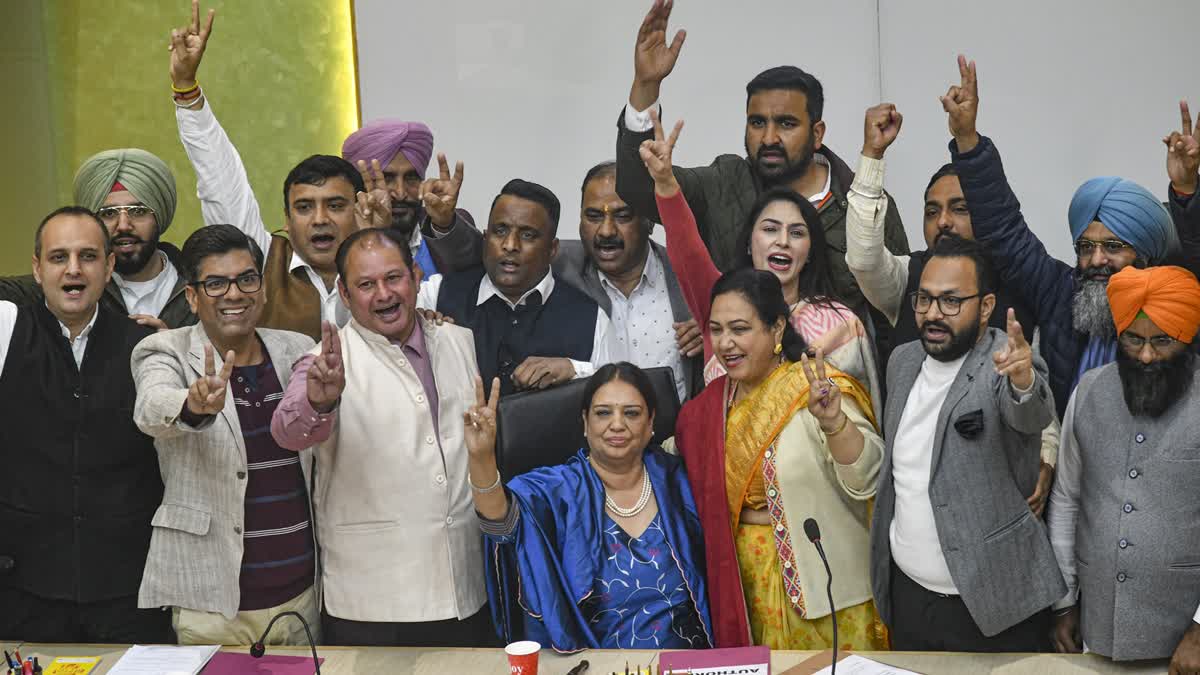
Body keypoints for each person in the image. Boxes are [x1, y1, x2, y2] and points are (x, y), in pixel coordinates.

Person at [168, 0, 480, 340]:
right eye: (304, 208)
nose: (319, 219)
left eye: (335, 205)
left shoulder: (394, 275)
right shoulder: (263, 262)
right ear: (286, 221)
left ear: (359, 209)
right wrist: (186, 91)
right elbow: (221, 180)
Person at [614, 0, 910, 338]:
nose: (769, 137)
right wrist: (645, 86)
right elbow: (638, 189)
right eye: (757, 122)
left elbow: (896, 316)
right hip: (735, 383)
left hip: (833, 384)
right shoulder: (724, 181)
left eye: (786, 123)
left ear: (817, 134)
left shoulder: (863, 205)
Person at [271, 227, 490, 647]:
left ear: (415, 275)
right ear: (345, 294)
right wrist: (319, 402)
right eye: (366, 285)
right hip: (374, 604)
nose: (384, 294)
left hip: (466, 588)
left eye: (393, 278)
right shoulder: (324, 361)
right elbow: (287, 430)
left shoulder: (459, 340)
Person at [844, 102, 1058, 517]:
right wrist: (871, 157)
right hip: (916, 497)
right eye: (932, 211)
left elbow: (1034, 384)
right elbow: (864, 259)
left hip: (997, 500)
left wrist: (1046, 458)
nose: (943, 222)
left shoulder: (1018, 285)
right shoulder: (910, 278)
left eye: (960, 209)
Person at [941, 55, 1182, 417]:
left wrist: (1187, 192)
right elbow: (1004, 231)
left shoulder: (1177, 309)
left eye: (1113, 247)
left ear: (1146, 252)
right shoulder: (1060, 293)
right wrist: (967, 141)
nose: (1096, 260)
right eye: (1086, 246)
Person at [674, 268, 887, 650]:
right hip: (744, 592)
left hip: (828, 594)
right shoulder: (706, 411)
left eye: (739, 329)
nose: (725, 343)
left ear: (776, 329)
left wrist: (836, 423)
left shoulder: (818, 390)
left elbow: (867, 479)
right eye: (717, 330)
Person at [870, 235, 1063, 652]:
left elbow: (1030, 415)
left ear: (986, 307)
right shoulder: (902, 361)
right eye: (924, 299)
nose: (933, 314)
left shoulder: (1005, 361)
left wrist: (1023, 381)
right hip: (909, 595)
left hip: (994, 603)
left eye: (951, 301)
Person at [132, 225, 319, 645]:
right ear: (193, 297)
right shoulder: (166, 350)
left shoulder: (296, 349)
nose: (234, 294)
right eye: (215, 283)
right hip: (210, 603)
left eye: (246, 279)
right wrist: (193, 405)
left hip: (299, 596)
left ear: (263, 288)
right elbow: (150, 408)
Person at [638, 110, 882, 416]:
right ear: (750, 244)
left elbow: (861, 422)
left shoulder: (841, 325)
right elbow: (688, 252)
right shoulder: (722, 306)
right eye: (769, 229)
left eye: (796, 232)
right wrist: (665, 183)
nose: (783, 240)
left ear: (810, 252)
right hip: (725, 462)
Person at [0, 207, 167, 643]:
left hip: (128, 591)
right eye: (58, 258)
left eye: (88, 256)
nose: (73, 270)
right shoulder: (6, 333)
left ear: (109, 266)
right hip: (25, 589)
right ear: (37, 269)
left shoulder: (146, 345)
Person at [467, 363, 712, 650]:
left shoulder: (679, 482)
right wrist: (481, 457)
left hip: (687, 665)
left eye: (631, 413)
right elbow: (501, 524)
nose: (617, 424)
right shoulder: (557, 490)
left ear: (650, 423)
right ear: (585, 422)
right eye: (603, 413)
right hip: (594, 666)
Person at [1048, 265, 1200, 670]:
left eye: (1162, 341)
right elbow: (1067, 499)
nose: (1146, 355)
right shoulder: (1089, 390)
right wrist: (1064, 602)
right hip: (1095, 636)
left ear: (1187, 338)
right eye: (1134, 339)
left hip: (1183, 650)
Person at [419, 179, 616, 396]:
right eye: (500, 231)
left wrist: (575, 369)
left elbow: (618, 391)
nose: (510, 245)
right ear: (485, 238)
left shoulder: (591, 319)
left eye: (527, 235)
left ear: (552, 249)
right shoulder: (436, 294)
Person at [553, 161, 704, 402]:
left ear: (650, 221)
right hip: (592, 435)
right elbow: (489, 251)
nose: (605, 231)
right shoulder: (560, 265)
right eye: (593, 217)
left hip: (676, 435)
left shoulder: (689, 276)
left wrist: (714, 329)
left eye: (622, 216)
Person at [0, 149, 189, 330]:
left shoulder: (201, 287)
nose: (123, 225)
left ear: (159, 216)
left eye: (138, 211)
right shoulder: (65, 284)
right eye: (108, 213)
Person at [342, 121, 483, 276]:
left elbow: (482, 269)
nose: (401, 193)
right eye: (387, 179)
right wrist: (373, 236)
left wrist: (444, 225)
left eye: (411, 178)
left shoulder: (447, 225)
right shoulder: (340, 239)